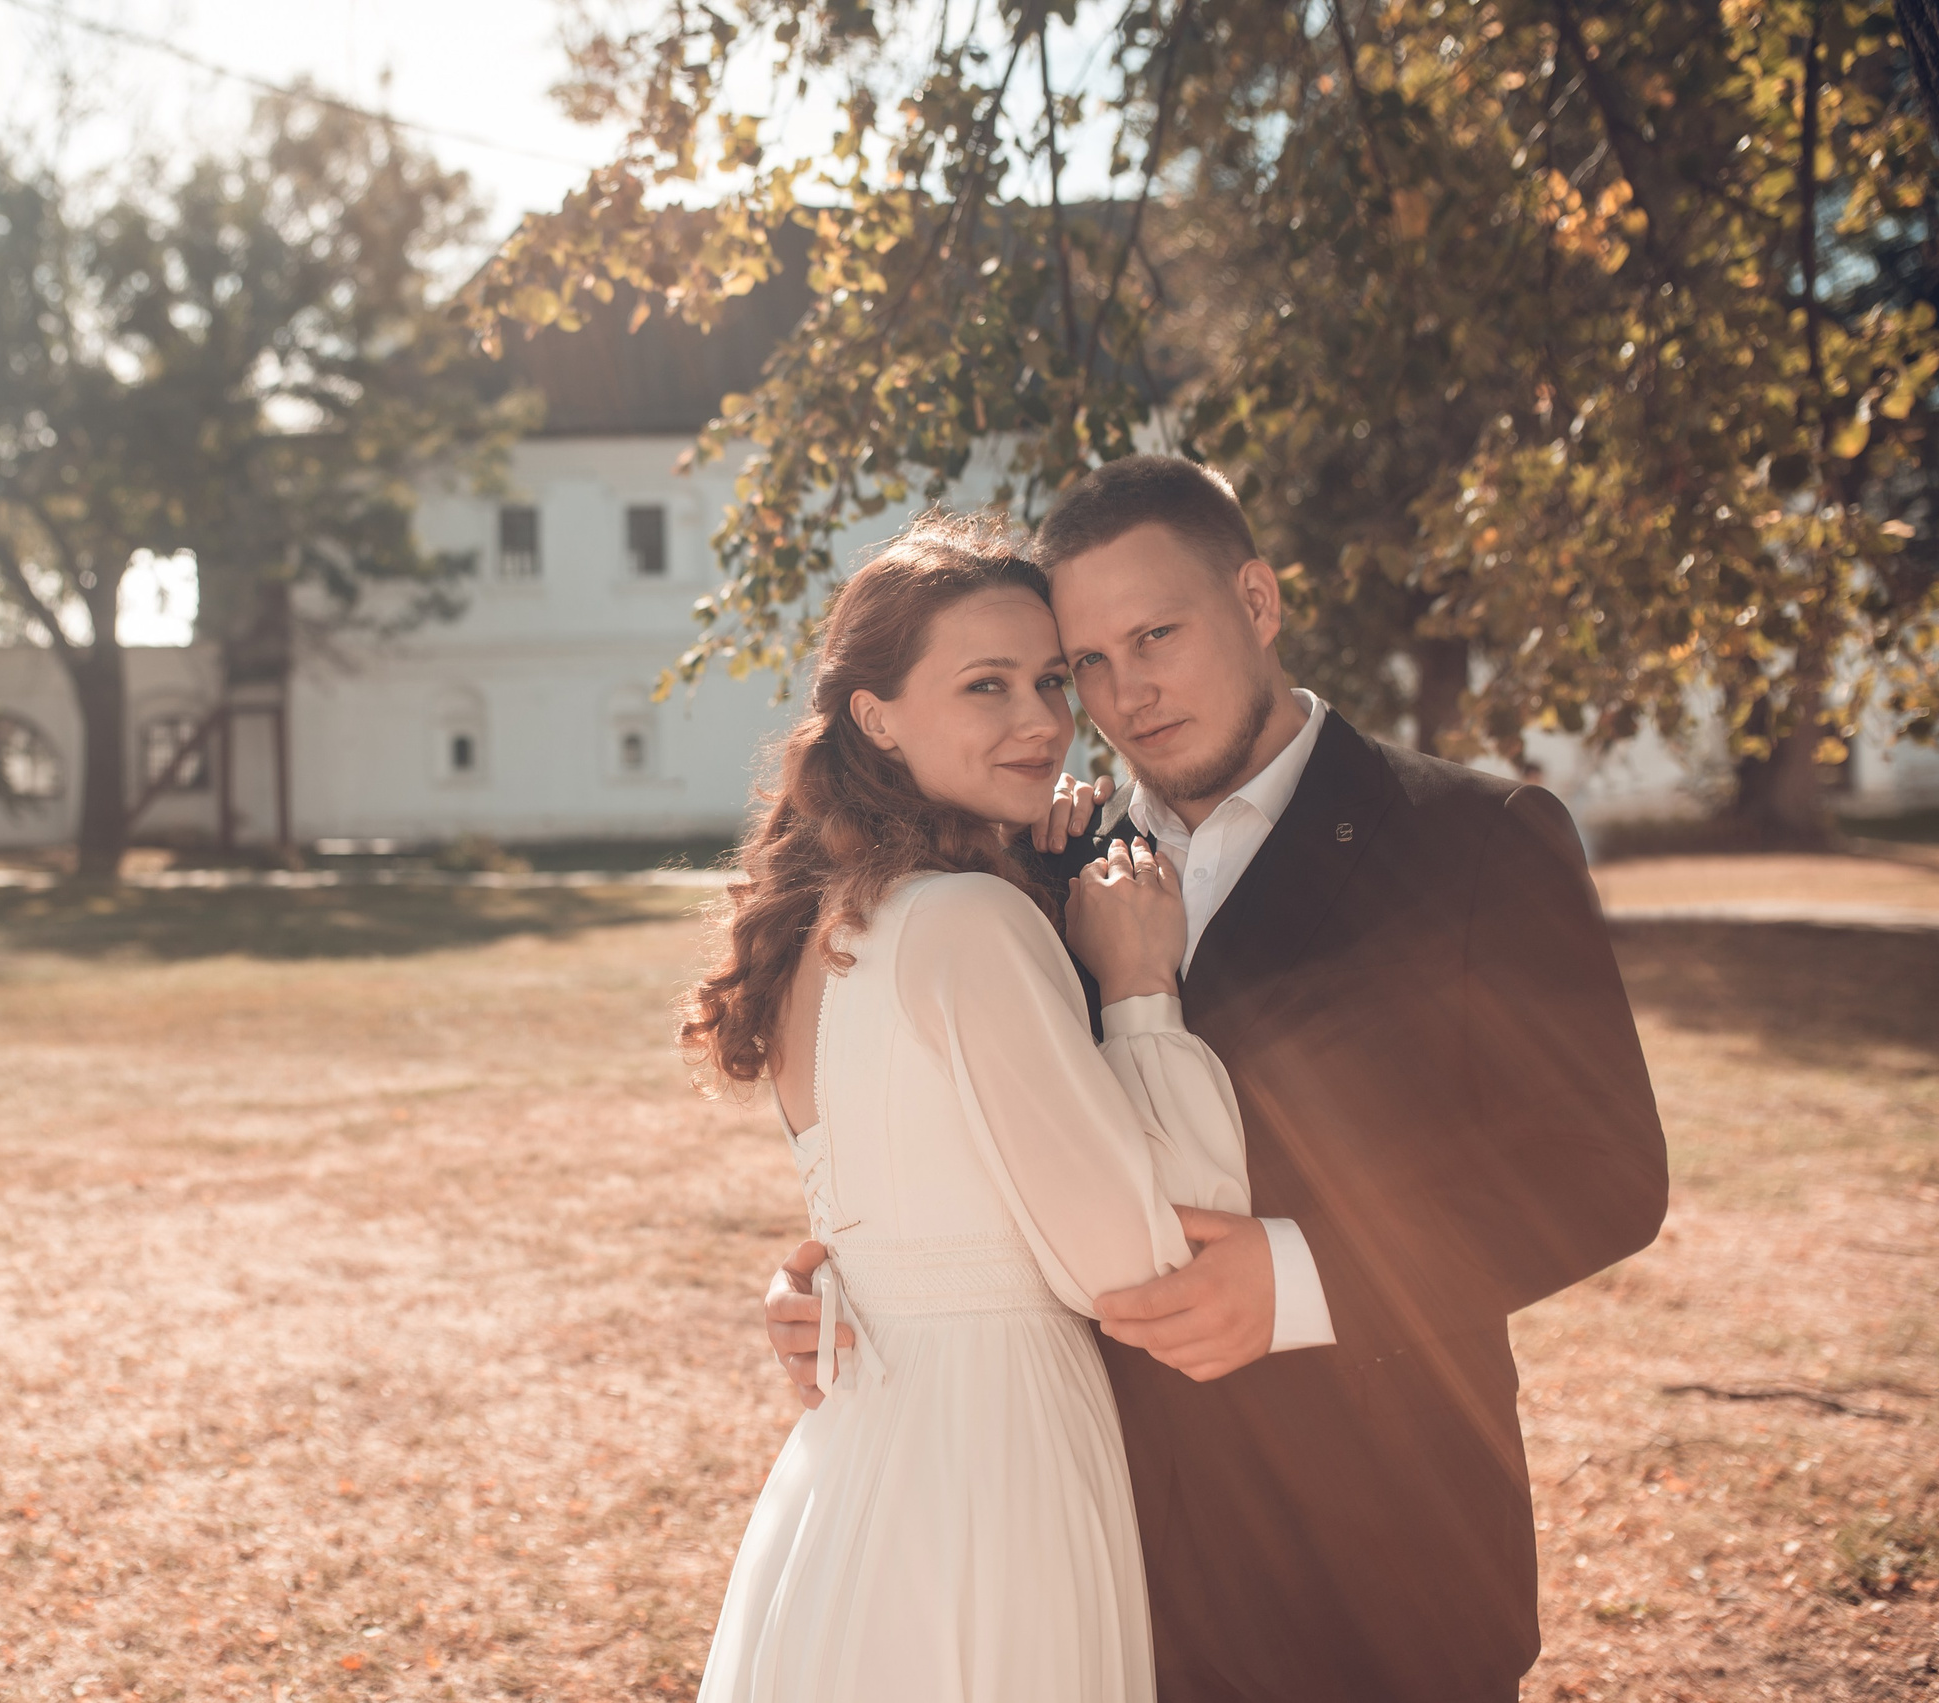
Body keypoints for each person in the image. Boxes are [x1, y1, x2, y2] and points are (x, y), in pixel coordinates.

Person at [763, 456, 1671, 1701]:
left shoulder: (1473, 836)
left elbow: (1601, 1174)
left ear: (1255, 598)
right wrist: (844, 1274)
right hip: (1101, 1556)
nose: (1123, 692)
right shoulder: (1036, 863)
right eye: (1085, 661)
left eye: (1156, 635)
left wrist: (1298, 1276)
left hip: (1378, 1573)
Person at [681, 512, 1252, 1703]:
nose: (1041, 719)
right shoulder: (967, 923)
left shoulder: (826, 926)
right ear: (875, 716)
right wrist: (1140, 982)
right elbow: (1157, 1256)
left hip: (859, 1460)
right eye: (984, 684)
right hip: (996, 1458)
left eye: (1049, 679)